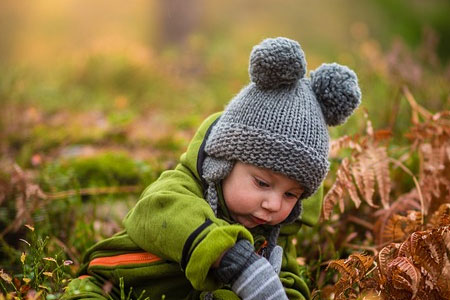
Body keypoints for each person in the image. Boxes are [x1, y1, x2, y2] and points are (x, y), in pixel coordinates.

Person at [62, 37, 361, 300]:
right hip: (113, 284)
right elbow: (153, 212)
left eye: (291, 195)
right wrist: (228, 255)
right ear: (224, 163)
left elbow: (288, 282)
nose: (273, 205)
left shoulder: (273, 236)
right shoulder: (181, 188)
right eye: (262, 183)